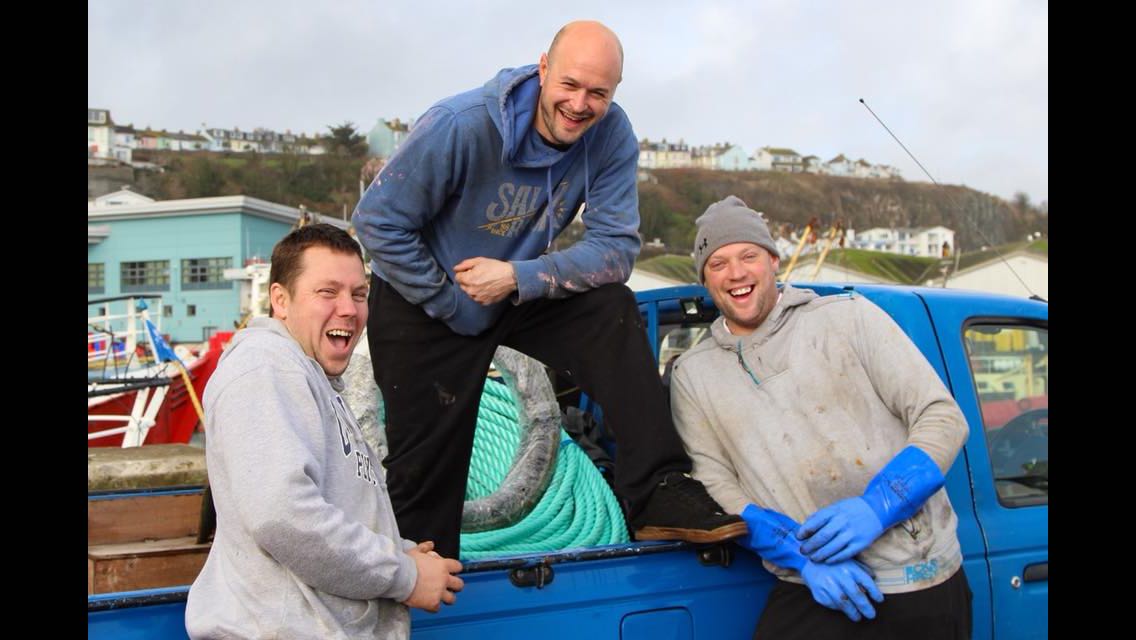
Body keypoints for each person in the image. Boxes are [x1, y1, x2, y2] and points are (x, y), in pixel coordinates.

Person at [352, 20, 745, 558]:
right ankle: (417, 581)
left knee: (611, 310)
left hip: (511, 285)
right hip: (425, 298)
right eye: (570, 85)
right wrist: (449, 302)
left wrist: (519, 278)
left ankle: (659, 491)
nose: (581, 104)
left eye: (598, 93)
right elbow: (377, 222)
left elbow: (615, 250)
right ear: (543, 69)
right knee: (427, 476)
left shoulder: (609, 135)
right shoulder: (460, 125)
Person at [670, 196, 973, 637]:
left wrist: (879, 506)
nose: (735, 273)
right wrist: (798, 555)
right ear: (705, 280)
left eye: (748, 256)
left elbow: (941, 417)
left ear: (773, 261)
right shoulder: (693, 374)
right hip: (806, 585)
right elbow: (713, 480)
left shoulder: (848, 319)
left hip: (917, 580)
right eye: (717, 263)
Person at [186, 224, 463, 639]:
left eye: (359, 294)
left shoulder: (310, 377)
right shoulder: (266, 367)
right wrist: (405, 576)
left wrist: (400, 551)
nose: (349, 309)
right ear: (280, 300)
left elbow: (329, 504)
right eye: (327, 292)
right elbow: (283, 515)